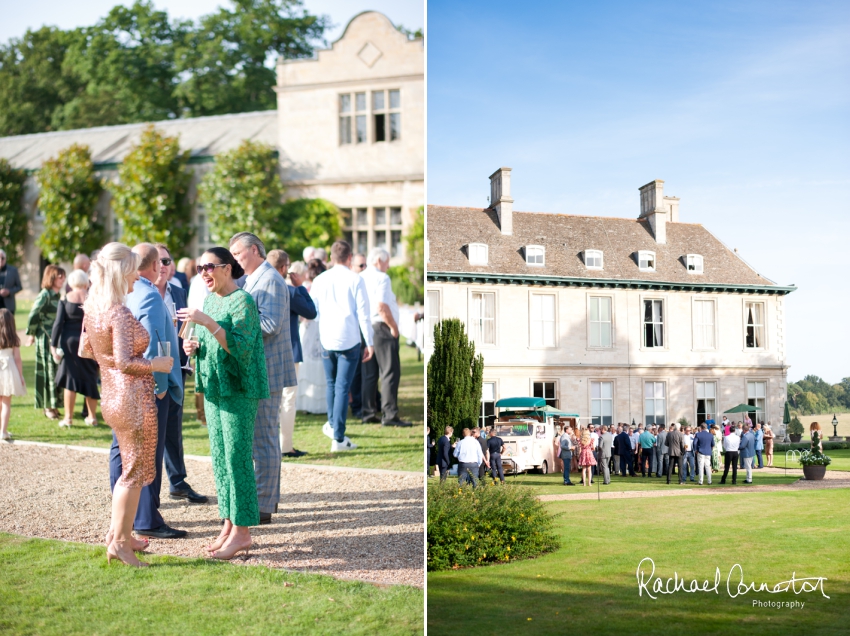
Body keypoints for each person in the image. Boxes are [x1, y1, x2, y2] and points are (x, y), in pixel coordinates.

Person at [80, 243, 174, 567]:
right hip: (132, 398)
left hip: (112, 396)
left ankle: (120, 534)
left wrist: (108, 364)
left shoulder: (93, 307)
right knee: (132, 474)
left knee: (131, 470)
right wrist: (157, 365)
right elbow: (124, 361)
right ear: (122, 272)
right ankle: (120, 542)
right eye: (134, 268)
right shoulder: (118, 312)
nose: (139, 275)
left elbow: (85, 349)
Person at [180, 247, 269, 558]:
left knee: (237, 458)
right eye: (200, 267)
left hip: (240, 389)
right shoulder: (209, 299)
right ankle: (229, 524)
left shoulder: (242, 300)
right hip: (215, 387)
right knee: (219, 458)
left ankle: (243, 533)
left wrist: (206, 323)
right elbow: (209, 343)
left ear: (228, 268)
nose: (204, 272)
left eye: (209, 266)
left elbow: (242, 349)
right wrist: (194, 346)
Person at [109, 244, 186, 540]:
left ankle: (122, 515)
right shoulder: (150, 295)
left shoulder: (114, 293)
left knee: (120, 450)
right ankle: (147, 519)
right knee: (147, 455)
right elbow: (157, 344)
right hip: (148, 385)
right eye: (162, 262)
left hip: (119, 385)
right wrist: (161, 387)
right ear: (154, 266)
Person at [229, 233, 296, 523]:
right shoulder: (254, 278)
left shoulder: (270, 279)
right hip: (257, 369)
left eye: (238, 253)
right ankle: (262, 499)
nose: (234, 260)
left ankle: (265, 505)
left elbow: (270, 324)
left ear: (255, 250)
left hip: (267, 370)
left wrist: (233, 326)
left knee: (265, 439)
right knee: (259, 438)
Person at [153, 245, 207, 505]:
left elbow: (186, 328)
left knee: (174, 429)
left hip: (177, 370)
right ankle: (147, 496)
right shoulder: (138, 292)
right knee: (151, 433)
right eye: (159, 260)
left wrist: (189, 344)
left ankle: (178, 482)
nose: (164, 265)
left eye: (167, 260)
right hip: (149, 372)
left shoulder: (178, 291)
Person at [311, 241, 375, 451]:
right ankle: (338, 437)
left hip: (327, 338)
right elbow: (363, 314)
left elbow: (314, 311)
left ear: (331, 257)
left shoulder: (320, 279)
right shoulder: (356, 279)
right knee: (341, 387)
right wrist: (370, 342)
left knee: (332, 385)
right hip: (348, 339)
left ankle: (333, 427)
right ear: (349, 258)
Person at [267, 250, 317, 459]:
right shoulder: (291, 291)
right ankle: (285, 446)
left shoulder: (259, 288)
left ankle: (267, 445)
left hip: (266, 351)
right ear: (285, 268)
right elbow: (311, 312)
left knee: (269, 400)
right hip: (289, 352)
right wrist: (300, 287)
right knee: (288, 400)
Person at [360, 248, 411, 428]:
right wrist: (393, 327)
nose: (388, 266)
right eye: (386, 262)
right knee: (390, 372)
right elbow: (381, 306)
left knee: (370, 373)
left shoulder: (361, 276)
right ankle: (389, 415)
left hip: (367, 327)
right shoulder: (382, 278)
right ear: (378, 261)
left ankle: (367, 412)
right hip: (381, 328)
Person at [51, 269, 100, 428]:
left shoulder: (65, 299)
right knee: (91, 377)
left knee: (70, 380)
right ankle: (92, 417)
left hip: (69, 343)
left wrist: (53, 346)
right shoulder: (93, 299)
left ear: (71, 283)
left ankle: (68, 418)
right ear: (86, 282)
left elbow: (58, 324)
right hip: (89, 341)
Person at [25, 265, 65, 420]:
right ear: (51, 277)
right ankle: (48, 407)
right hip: (45, 338)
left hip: (56, 338)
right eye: (59, 276)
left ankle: (55, 405)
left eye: (63, 276)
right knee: (47, 371)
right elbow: (33, 315)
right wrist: (32, 334)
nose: (62, 279)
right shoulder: (45, 295)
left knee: (55, 371)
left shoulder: (57, 295)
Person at [295, 260, 328, 414]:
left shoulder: (311, 287)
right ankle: (317, 403)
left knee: (310, 361)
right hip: (319, 324)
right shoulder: (321, 284)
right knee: (315, 361)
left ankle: (309, 403)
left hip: (312, 325)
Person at [0, 308, 26, 441]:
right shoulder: (14, 338)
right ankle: (3, 431)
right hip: (8, 371)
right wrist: (20, 376)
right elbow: (17, 359)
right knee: (6, 403)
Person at [0, 250, 23, 316]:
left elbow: (19, 287)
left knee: (9, 325)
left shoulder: (13, 270)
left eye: (2, 258)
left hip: (9, 305)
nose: (1, 260)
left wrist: (9, 291)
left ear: (5, 258)